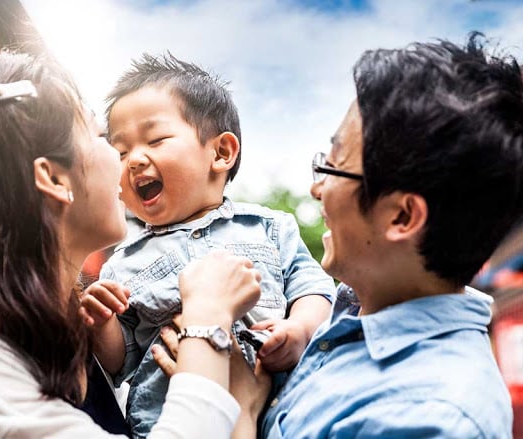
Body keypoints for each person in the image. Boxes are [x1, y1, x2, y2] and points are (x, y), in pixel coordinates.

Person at [0, 51, 270, 438]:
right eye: (105, 140)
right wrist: (207, 321)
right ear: (54, 179)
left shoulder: (71, 326)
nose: (128, 162)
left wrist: (244, 412)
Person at [261, 34, 523, 438]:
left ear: (402, 216)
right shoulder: (349, 317)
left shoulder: (429, 413)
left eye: (335, 164)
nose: (317, 187)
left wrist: (233, 399)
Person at [81, 53, 335, 437]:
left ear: (221, 153)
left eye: (156, 139)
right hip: (171, 422)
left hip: (285, 413)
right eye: (120, 151)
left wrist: (299, 330)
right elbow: (121, 363)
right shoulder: (122, 265)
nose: (134, 160)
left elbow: (314, 289)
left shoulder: (269, 228)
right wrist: (103, 326)